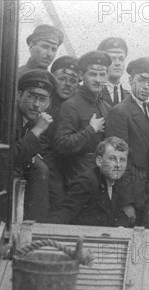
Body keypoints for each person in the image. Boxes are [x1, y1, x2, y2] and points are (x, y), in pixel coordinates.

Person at [106, 57, 149, 225]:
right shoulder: (120, 112)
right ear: (131, 80)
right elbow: (116, 160)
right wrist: (126, 201)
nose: (146, 86)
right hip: (131, 195)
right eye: (141, 80)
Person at [52, 51, 110, 189]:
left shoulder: (106, 106)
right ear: (82, 76)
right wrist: (91, 130)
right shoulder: (70, 105)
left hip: (102, 178)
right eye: (92, 74)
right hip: (78, 181)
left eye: (102, 74)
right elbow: (62, 144)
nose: (98, 79)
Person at [49, 137, 132, 227]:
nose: (118, 165)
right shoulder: (86, 182)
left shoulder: (117, 182)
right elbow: (63, 215)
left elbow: (117, 215)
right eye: (112, 159)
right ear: (99, 161)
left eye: (122, 160)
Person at [15, 69, 58, 221]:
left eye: (42, 99)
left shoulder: (33, 120)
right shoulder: (7, 118)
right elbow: (11, 156)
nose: (36, 104)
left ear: (49, 103)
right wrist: (38, 129)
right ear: (19, 95)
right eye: (31, 97)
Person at [47, 56, 81, 211]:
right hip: (49, 167)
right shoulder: (44, 104)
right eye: (62, 79)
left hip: (72, 166)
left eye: (73, 81)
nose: (67, 84)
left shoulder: (77, 107)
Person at [97, 37, 131, 106]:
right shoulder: (94, 92)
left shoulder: (129, 97)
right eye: (112, 59)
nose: (118, 63)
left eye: (121, 59)